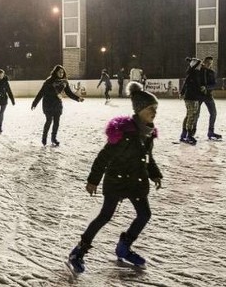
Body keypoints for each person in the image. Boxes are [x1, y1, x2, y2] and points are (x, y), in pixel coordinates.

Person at [67, 81, 162, 273]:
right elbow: (103, 157)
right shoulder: (125, 133)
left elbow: (147, 157)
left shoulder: (148, 133)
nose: (154, 112)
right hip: (117, 181)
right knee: (105, 216)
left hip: (136, 181)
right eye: (151, 108)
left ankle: (124, 247)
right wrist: (93, 180)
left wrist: (154, 174)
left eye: (156, 109)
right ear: (140, 109)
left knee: (144, 214)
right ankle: (78, 252)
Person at [31, 64, 84, 146]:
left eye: (62, 72)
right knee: (49, 121)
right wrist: (35, 103)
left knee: (56, 122)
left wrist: (78, 98)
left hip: (57, 105)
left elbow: (69, 93)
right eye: (59, 72)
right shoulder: (49, 81)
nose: (61, 74)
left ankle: (53, 138)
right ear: (55, 72)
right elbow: (41, 92)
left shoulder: (64, 82)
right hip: (48, 104)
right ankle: (44, 137)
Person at [195, 56, 222, 140]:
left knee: (213, 113)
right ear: (204, 62)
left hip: (208, 96)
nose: (209, 65)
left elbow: (214, 84)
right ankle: (192, 132)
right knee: (196, 114)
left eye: (210, 63)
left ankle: (211, 132)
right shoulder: (198, 71)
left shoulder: (212, 72)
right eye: (207, 63)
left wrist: (206, 87)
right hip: (198, 96)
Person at [179, 57, 204, 145]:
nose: (201, 66)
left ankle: (185, 134)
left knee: (190, 115)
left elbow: (186, 84)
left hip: (194, 97)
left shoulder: (195, 73)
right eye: (199, 64)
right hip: (191, 98)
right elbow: (187, 84)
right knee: (191, 115)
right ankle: (188, 135)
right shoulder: (193, 74)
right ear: (196, 65)